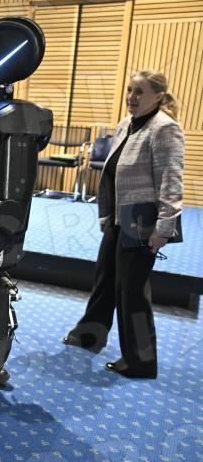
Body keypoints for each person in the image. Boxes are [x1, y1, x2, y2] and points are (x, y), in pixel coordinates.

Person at [62, 70, 184, 379]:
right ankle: (89, 335)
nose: (131, 96)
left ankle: (141, 361)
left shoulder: (165, 128)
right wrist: (107, 215)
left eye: (139, 92)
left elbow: (171, 182)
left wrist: (164, 228)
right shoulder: (126, 124)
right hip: (119, 217)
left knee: (133, 294)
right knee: (105, 281)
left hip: (143, 220)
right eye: (130, 90)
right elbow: (112, 173)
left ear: (158, 96)